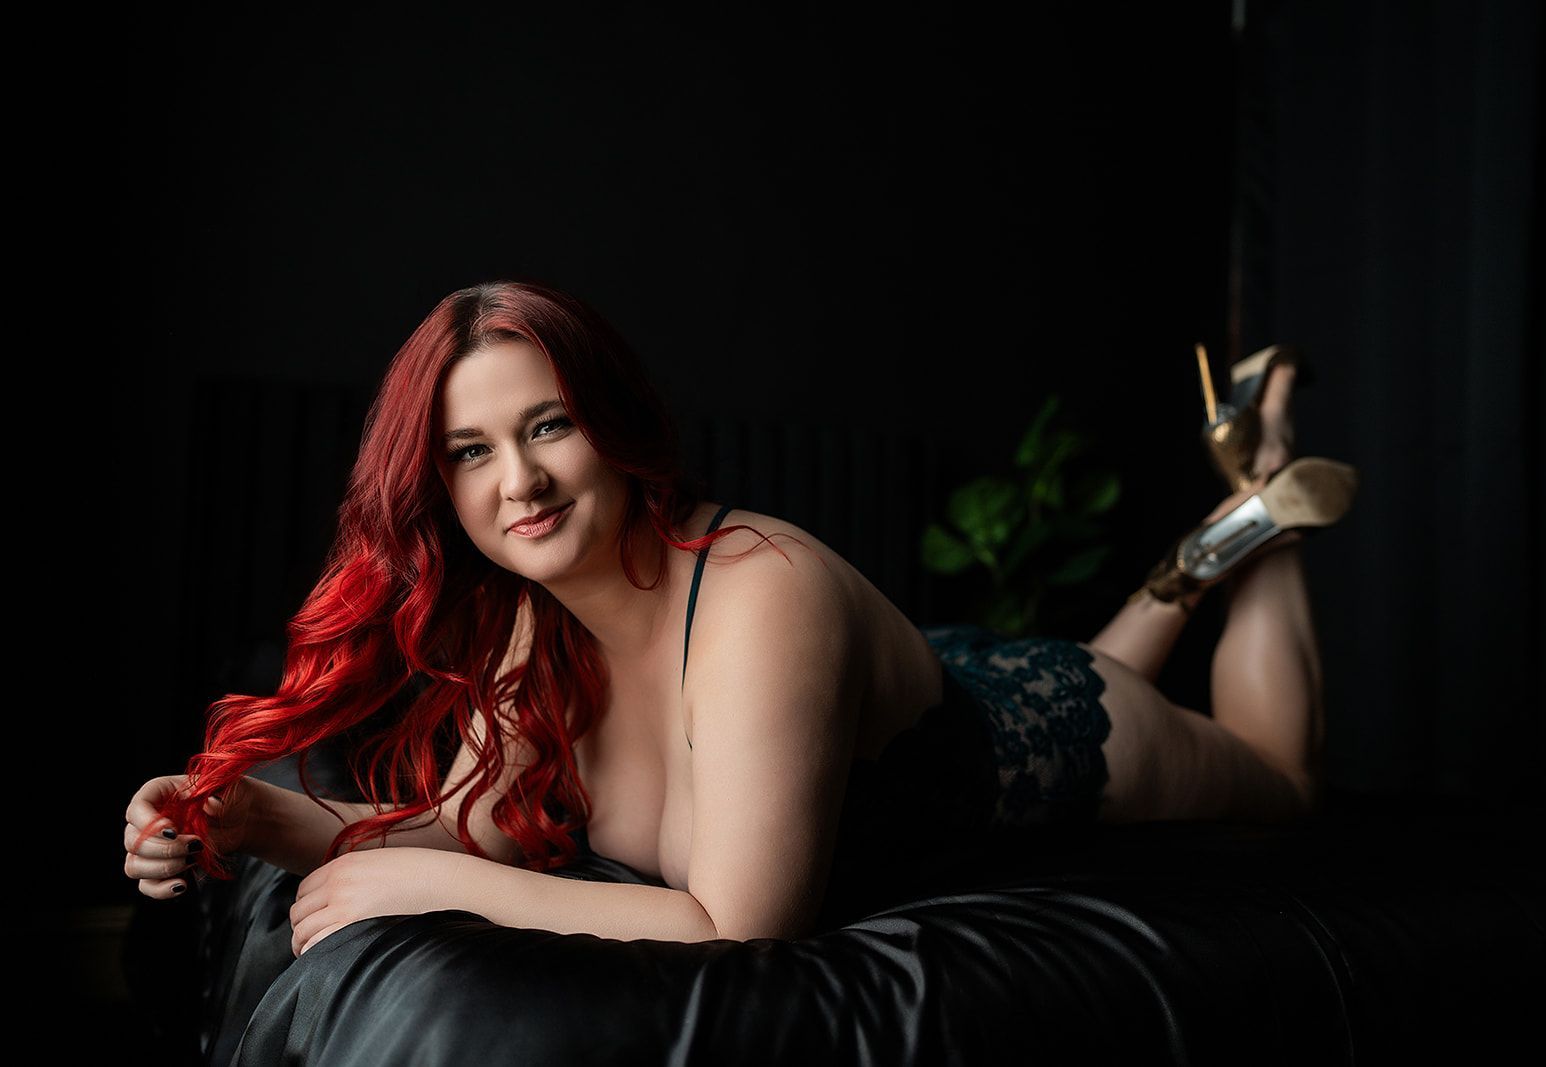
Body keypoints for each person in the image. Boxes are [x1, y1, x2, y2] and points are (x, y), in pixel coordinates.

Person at [121, 280, 1357, 947]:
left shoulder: (760, 586)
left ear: (613, 425)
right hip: (900, 694)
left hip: (1042, 734)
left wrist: (439, 894)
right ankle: (1200, 550)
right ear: (435, 483)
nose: (521, 481)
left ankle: (1260, 512)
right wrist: (255, 815)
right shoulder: (529, 624)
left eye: (548, 425)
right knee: (1080, 658)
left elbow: (736, 922)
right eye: (471, 450)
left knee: (1284, 780)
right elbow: (466, 828)